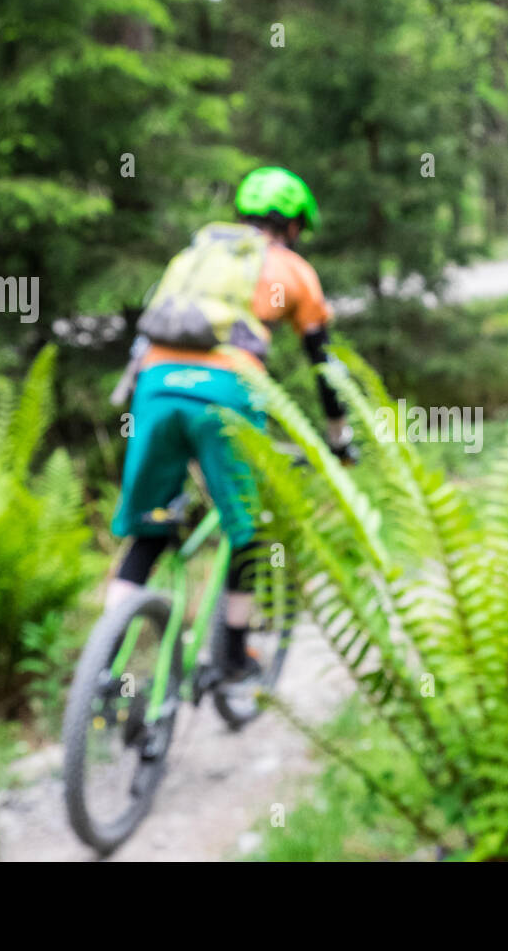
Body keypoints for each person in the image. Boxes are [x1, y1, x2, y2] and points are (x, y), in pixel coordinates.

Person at [105, 166, 354, 681]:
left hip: (155, 386)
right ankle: (235, 656)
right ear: (292, 225)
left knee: (149, 528)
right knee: (248, 527)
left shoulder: (195, 256)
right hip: (225, 391)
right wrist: (338, 439)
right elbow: (323, 365)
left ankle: (102, 667)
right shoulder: (292, 270)